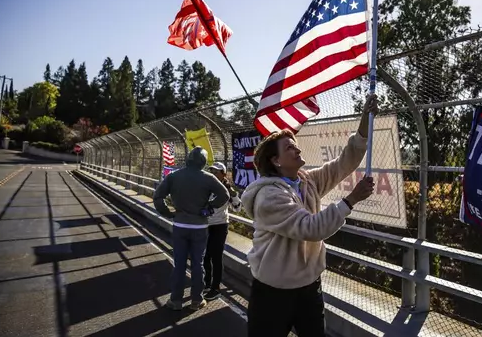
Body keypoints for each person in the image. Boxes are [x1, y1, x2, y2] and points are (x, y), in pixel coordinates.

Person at [241, 95, 378, 337]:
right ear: (275, 161)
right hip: (273, 293)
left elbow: (343, 164)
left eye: (295, 144)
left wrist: (364, 124)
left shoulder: (307, 181)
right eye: (289, 147)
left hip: (309, 288)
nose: (297, 148)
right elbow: (310, 228)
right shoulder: (268, 197)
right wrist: (351, 200)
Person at [153, 146, 229, 311]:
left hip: (180, 225)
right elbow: (225, 195)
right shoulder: (208, 178)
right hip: (200, 226)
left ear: (188, 159)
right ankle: (197, 300)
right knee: (198, 263)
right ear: (203, 161)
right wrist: (209, 207)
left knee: (179, 263)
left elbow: (158, 197)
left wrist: (169, 213)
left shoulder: (174, 176)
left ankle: (176, 300)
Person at [203, 161, 242, 300]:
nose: (213, 173)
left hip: (220, 225)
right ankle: (207, 283)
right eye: (211, 171)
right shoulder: (206, 185)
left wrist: (232, 193)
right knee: (206, 256)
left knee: (216, 257)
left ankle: (216, 288)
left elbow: (237, 208)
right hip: (205, 225)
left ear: (223, 174)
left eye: (216, 171)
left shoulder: (226, 189)